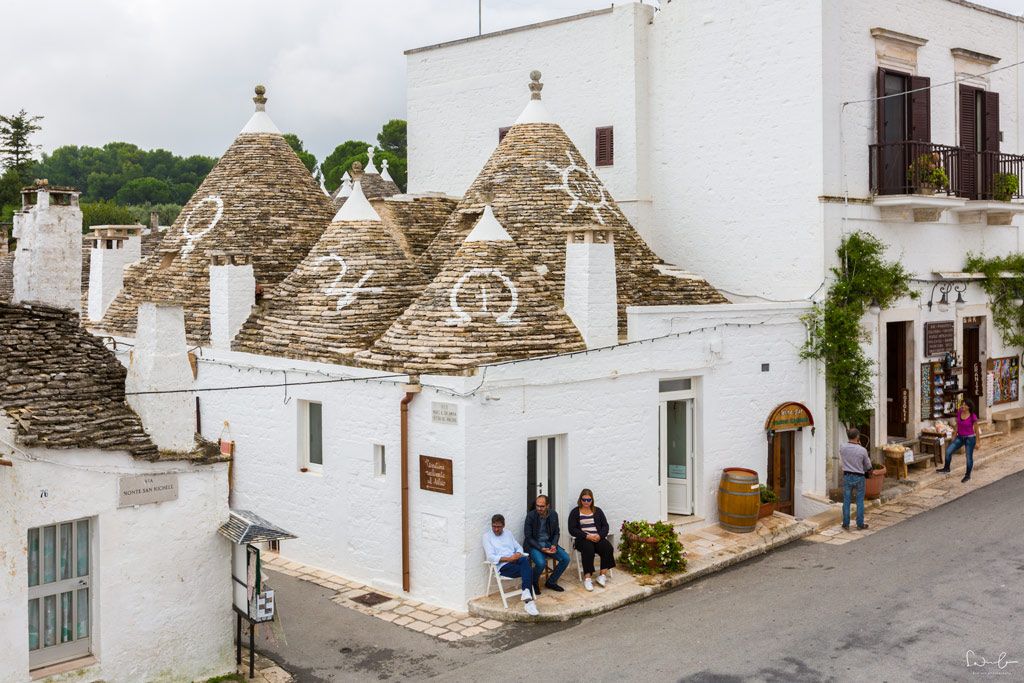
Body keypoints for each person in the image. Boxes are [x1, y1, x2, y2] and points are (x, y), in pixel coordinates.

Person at [482, 514, 538, 616]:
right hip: (503, 565)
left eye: (498, 527)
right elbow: (490, 557)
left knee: (525, 561)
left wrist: (517, 554)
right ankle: (528, 601)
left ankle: (526, 592)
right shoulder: (487, 537)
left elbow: (519, 547)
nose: (496, 529)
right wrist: (509, 558)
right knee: (528, 569)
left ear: (503, 525)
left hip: (515, 560)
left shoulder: (508, 533)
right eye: (494, 526)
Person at [567, 488, 615, 591]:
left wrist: (599, 536)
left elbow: (605, 526)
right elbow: (572, 529)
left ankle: (602, 576)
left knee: (608, 548)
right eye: (584, 499)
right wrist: (586, 536)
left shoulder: (597, 511)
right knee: (588, 549)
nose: (586, 502)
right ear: (580, 500)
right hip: (583, 539)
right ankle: (587, 578)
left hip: (597, 537)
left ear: (592, 500)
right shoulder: (575, 512)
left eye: (588, 500)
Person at [523, 495, 570, 593]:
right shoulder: (531, 516)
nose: (539, 508)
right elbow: (528, 537)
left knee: (566, 559)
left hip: (548, 543)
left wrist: (553, 544)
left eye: (542, 506)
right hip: (534, 545)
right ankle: (534, 582)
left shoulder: (553, 514)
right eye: (537, 506)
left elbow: (556, 532)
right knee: (541, 563)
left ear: (547, 506)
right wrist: (540, 548)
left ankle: (551, 582)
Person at [937, 398, 981, 483]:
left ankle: (967, 475)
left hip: (970, 438)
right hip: (960, 437)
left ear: (969, 407)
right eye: (962, 404)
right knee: (948, 451)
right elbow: (957, 425)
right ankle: (946, 468)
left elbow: (976, 429)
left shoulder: (973, 416)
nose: (963, 406)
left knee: (968, 457)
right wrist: (954, 434)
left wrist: (978, 442)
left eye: (965, 405)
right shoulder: (959, 412)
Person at [839, 427, 872, 531]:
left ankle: (846, 523)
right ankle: (860, 524)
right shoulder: (862, 450)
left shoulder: (842, 447)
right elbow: (868, 466)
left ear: (848, 436)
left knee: (846, 500)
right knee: (860, 501)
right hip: (859, 477)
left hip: (847, 476)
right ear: (858, 437)